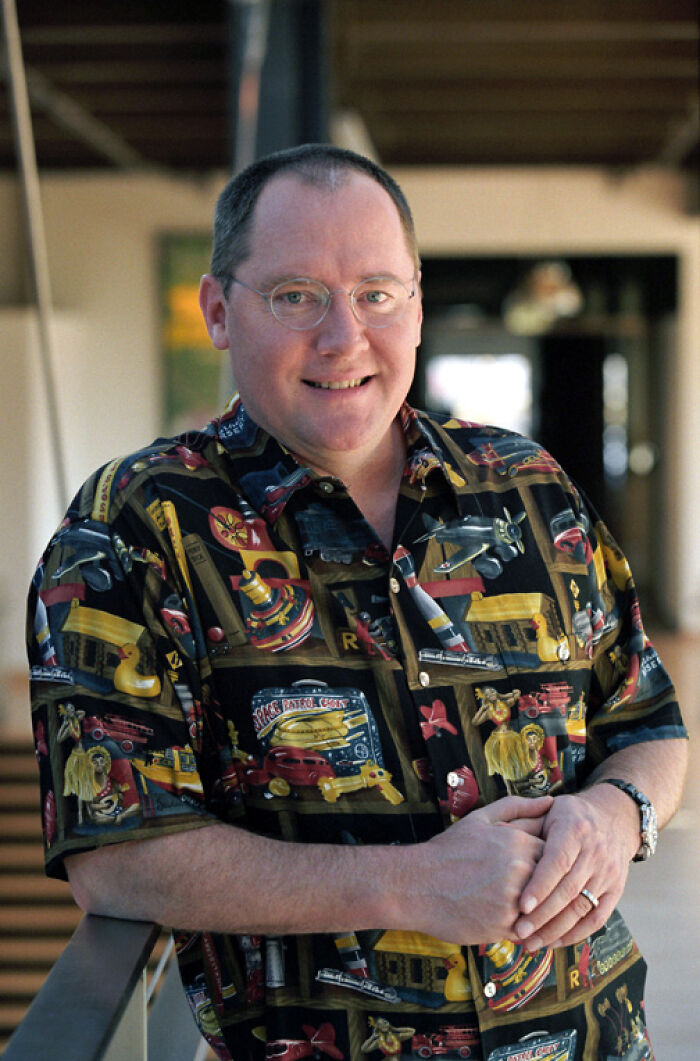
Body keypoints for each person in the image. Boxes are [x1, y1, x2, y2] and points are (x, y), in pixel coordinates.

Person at [27, 144, 688, 1061]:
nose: (345, 338)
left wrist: (618, 814)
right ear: (219, 311)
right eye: (296, 295)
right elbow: (116, 856)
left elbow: (648, 723)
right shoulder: (133, 527)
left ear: (415, 303)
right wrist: (411, 883)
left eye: (376, 293)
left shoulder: (530, 488)